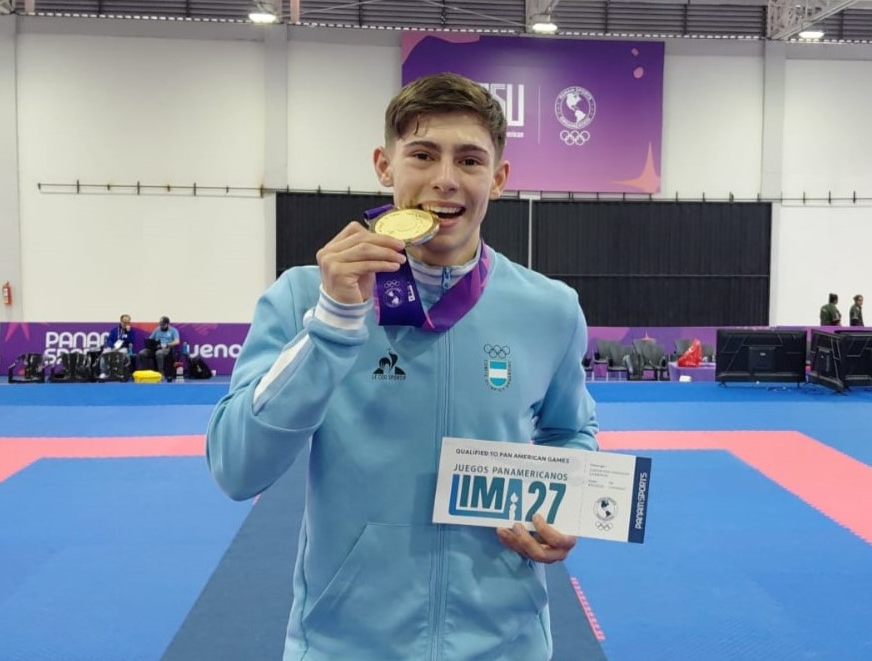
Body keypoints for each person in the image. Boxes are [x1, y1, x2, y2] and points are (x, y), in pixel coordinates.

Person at [206, 72, 598, 661]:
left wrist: (565, 504)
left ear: (499, 177)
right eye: (422, 154)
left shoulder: (551, 309)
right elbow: (236, 469)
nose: (445, 179)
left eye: (469, 159)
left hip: (506, 644)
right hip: (345, 645)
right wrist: (334, 324)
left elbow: (571, 431)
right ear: (384, 167)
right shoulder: (300, 296)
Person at [99, 314, 138, 379]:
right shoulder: (114, 330)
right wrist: (113, 347)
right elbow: (109, 340)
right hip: (113, 347)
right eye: (125, 322)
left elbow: (131, 341)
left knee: (122, 353)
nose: (126, 324)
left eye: (128, 322)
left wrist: (128, 332)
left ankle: (119, 372)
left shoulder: (131, 331)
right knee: (104, 353)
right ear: (121, 322)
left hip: (123, 348)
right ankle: (104, 372)